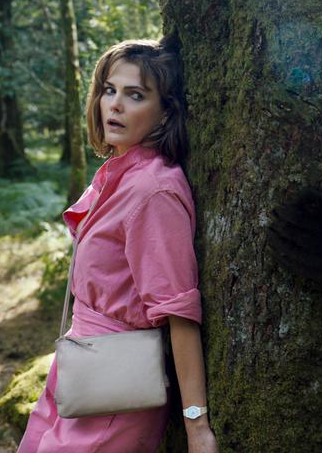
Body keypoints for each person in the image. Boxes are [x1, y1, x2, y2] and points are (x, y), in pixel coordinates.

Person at [18, 39, 217, 452]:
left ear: (166, 111)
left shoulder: (153, 191)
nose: (115, 105)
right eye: (110, 90)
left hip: (115, 390)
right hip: (80, 367)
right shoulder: (119, 172)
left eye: (136, 95)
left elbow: (179, 312)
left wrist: (196, 427)